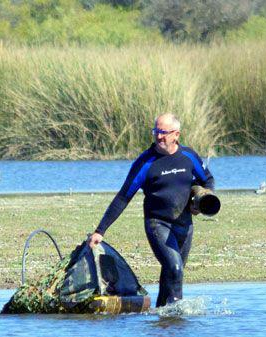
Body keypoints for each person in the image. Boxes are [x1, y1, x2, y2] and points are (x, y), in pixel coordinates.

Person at [88, 113, 215, 307]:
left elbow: (207, 179)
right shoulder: (145, 163)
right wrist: (100, 230)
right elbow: (123, 196)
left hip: (184, 224)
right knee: (175, 266)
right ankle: (177, 313)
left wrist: (204, 197)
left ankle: (163, 317)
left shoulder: (189, 156)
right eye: (156, 131)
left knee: (172, 273)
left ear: (176, 135)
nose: (159, 137)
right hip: (158, 224)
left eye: (164, 132)